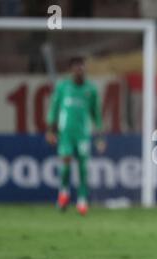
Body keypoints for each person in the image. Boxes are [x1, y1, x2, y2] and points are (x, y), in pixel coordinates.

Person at [46, 56, 106, 216]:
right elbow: (54, 108)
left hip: (83, 134)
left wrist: (100, 137)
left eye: (82, 67)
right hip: (65, 133)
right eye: (76, 67)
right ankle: (64, 192)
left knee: (82, 167)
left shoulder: (90, 89)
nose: (79, 70)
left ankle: (82, 199)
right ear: (71, 70)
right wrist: (51, 130)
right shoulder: (63, 87)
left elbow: (96, 114)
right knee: (65, 164)